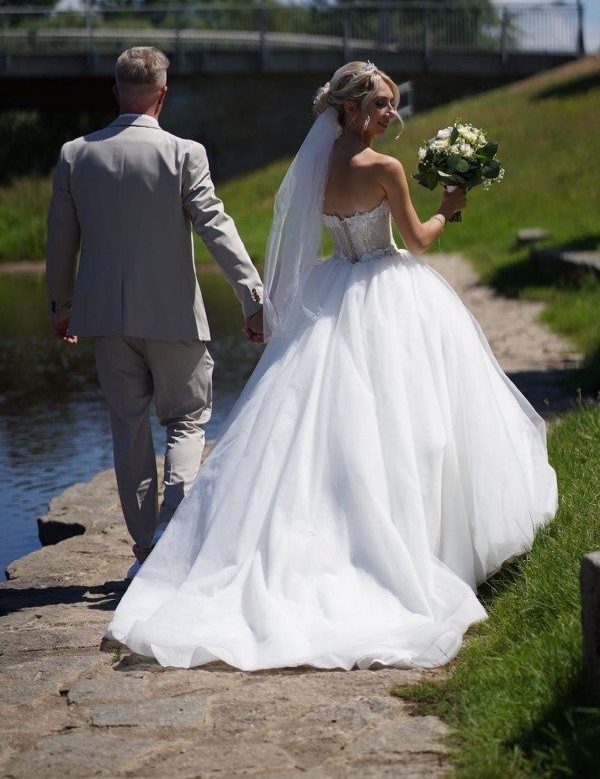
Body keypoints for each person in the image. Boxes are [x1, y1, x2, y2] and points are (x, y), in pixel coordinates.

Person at [105, 61, 557, 670]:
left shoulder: (314, 167)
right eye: (380, 105)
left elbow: (305, 240)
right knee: (409, 422)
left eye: (391, 103)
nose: (390, 114)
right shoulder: (383, 168)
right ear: (348, 109)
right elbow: (418, 241)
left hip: (333, 289)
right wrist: (450, 206)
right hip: (387, 289)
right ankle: (419, 544)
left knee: (330, 428)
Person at [46, 46, 264, 580]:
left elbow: (60, 241)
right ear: (163, 94)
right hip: (173, 317)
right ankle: (172, 535)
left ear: (116, 92)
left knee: (128, 431)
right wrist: (252, 297)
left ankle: (146, 550)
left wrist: (63, 306)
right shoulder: (184, 153)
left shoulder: (75, 155)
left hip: (106, 321)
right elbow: (216, 226)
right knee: (187, 420)